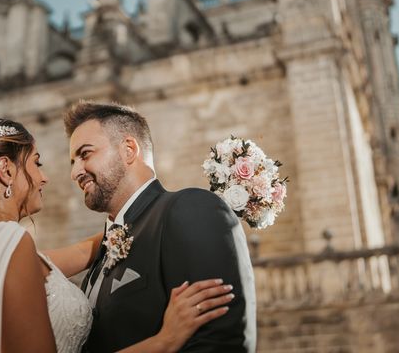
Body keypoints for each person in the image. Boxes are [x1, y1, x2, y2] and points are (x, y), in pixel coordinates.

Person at [0, 115, 234, 353]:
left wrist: (164, 212)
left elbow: (85, 250)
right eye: (36, 163)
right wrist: (165, 341)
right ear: (6, 170)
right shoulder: (10, 242)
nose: (45, 178)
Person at [66, 101, 257, 353]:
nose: (75, 172)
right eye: (72, 161)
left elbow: (220, 342)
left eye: (85, 154)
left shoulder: (188, 209)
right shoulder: (98, 257)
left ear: (129, 149)